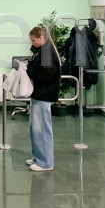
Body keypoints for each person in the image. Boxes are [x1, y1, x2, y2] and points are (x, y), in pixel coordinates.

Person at [25, 25, 61, 171]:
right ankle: (38, 157)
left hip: (44, 95)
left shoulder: (47, 53)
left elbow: (44, 77)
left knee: (42, 130)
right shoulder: (43, 51)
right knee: (35, 128)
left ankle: (46, 163)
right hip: (39, 94)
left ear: (41, 38)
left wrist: (29, 69)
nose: (32, 43)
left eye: (34, 40)